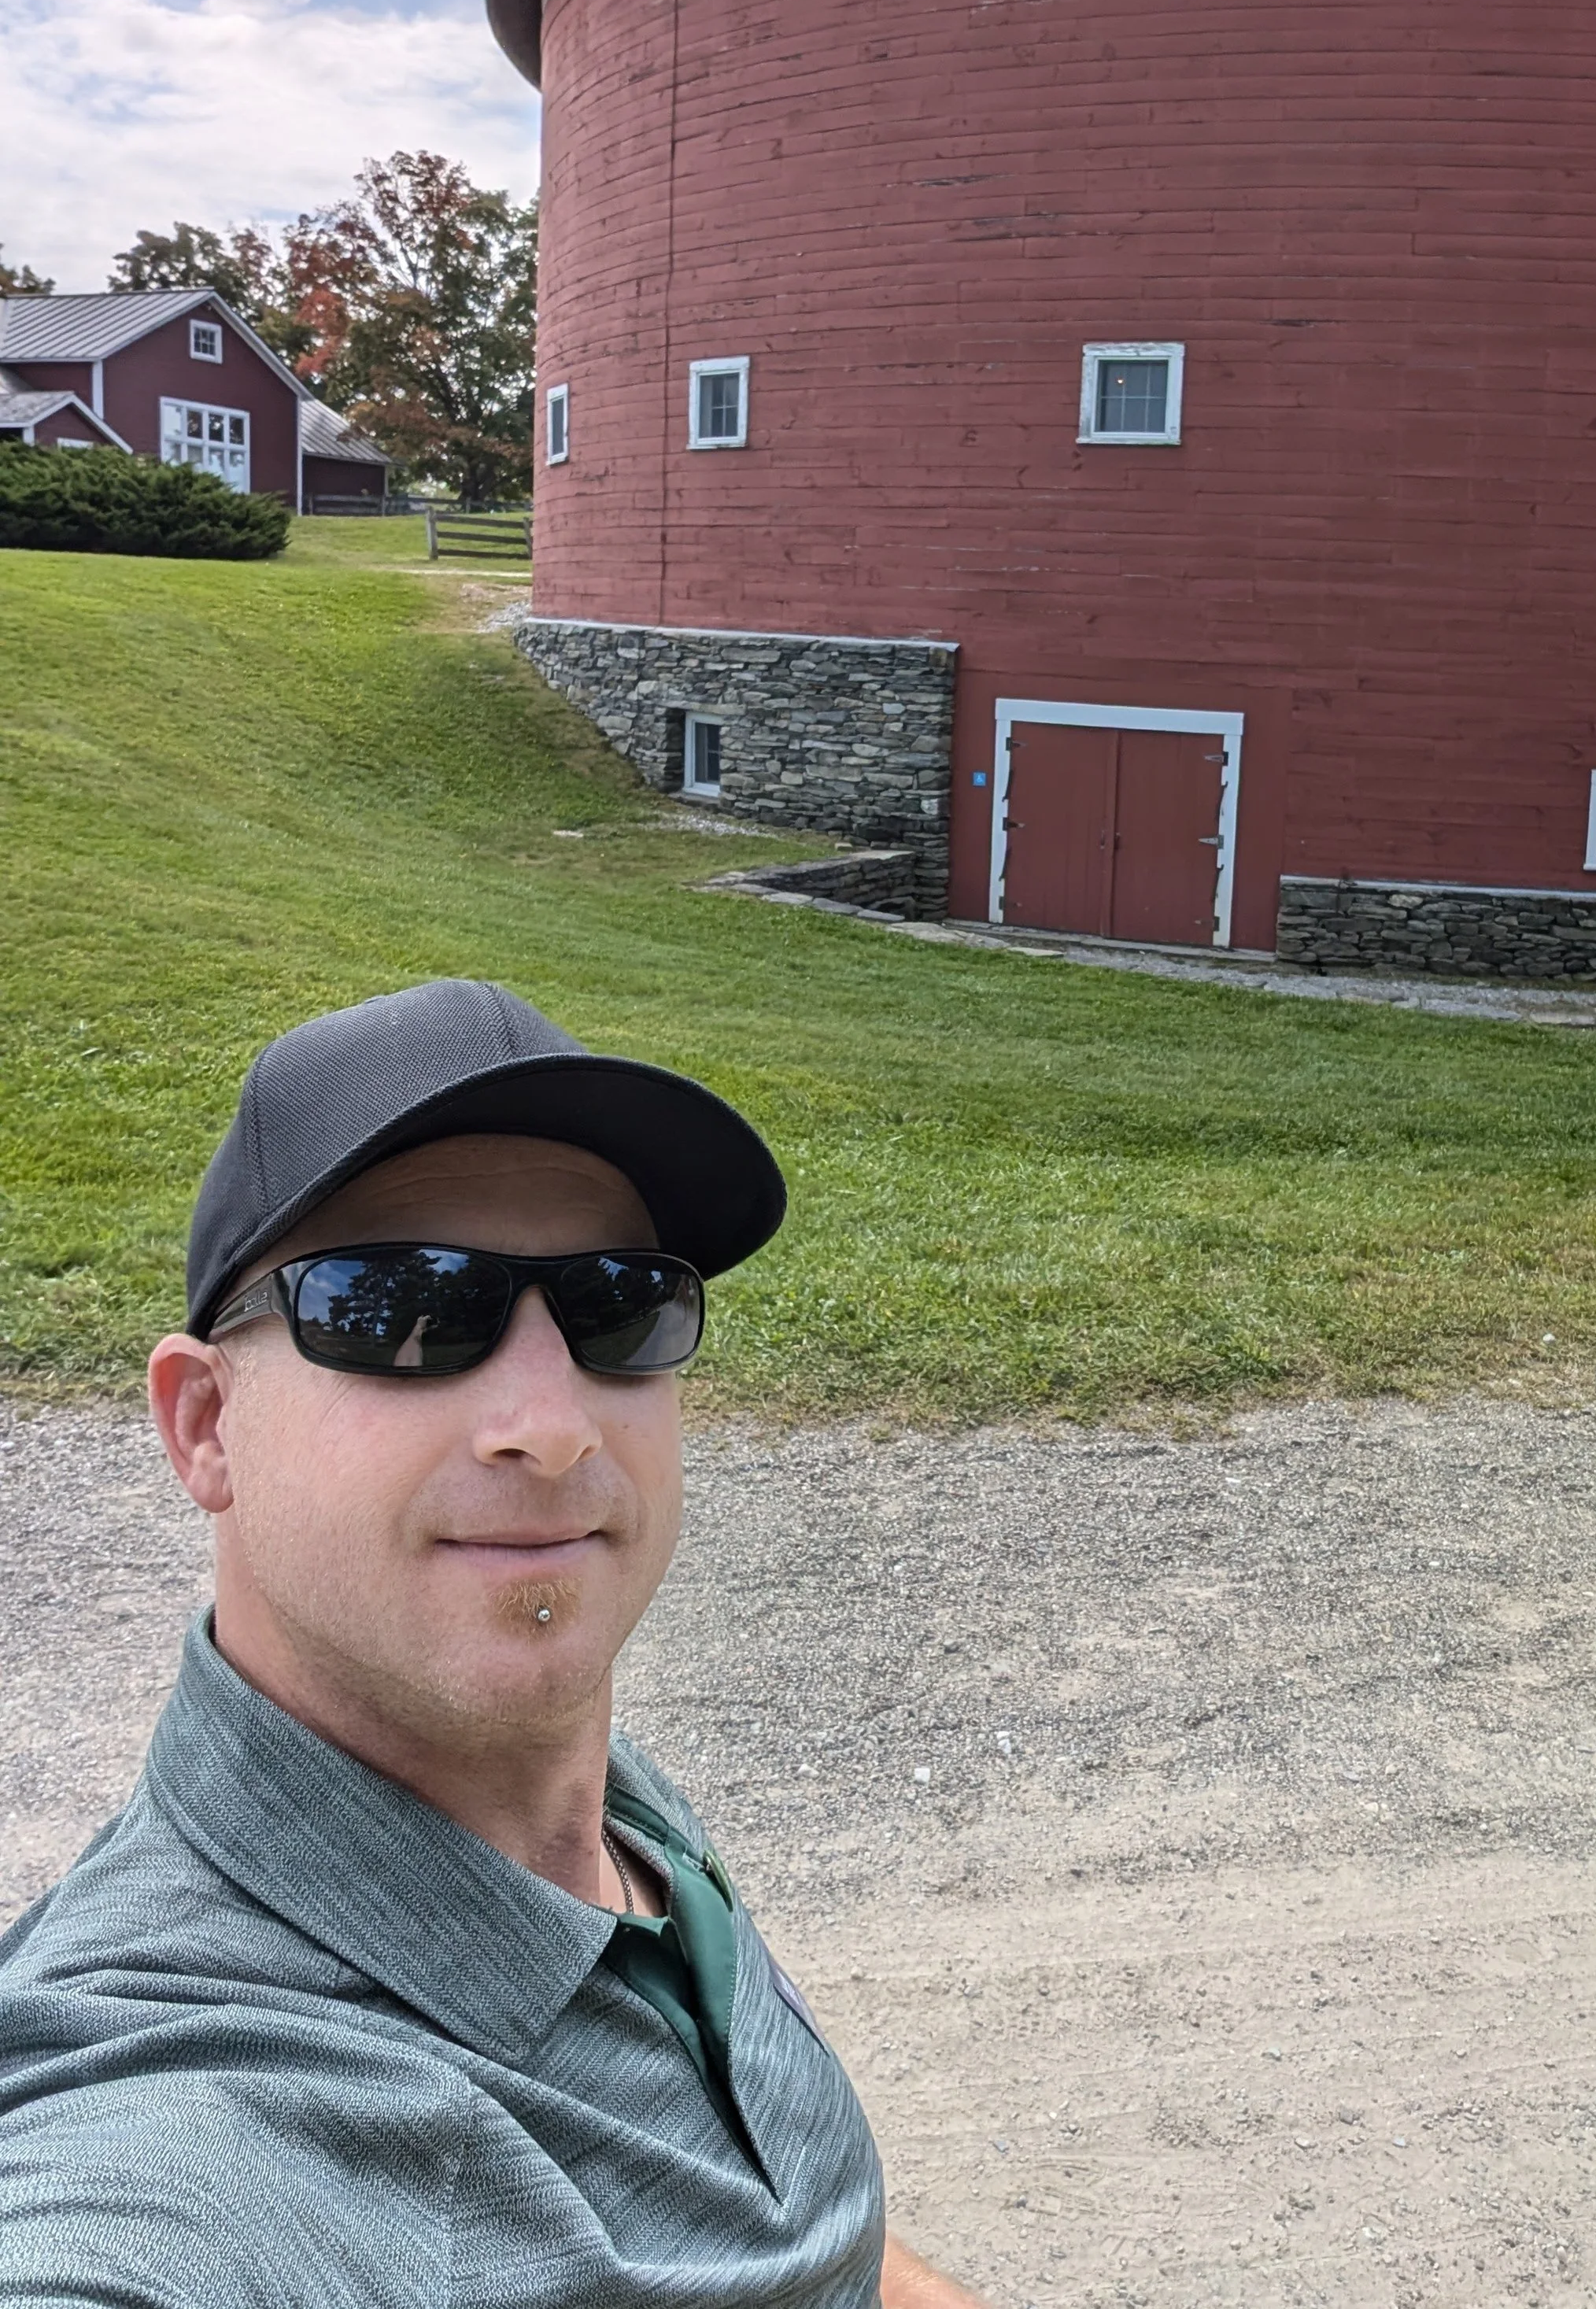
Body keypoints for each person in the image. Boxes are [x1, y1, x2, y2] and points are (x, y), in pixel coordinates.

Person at [0, 980, 989, 2308]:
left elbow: (792, 2235)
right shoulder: (175, 2130)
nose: (555, 1422)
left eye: (619, 1307)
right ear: (204, 1425)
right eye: (407, 1307)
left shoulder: (596, 1807)